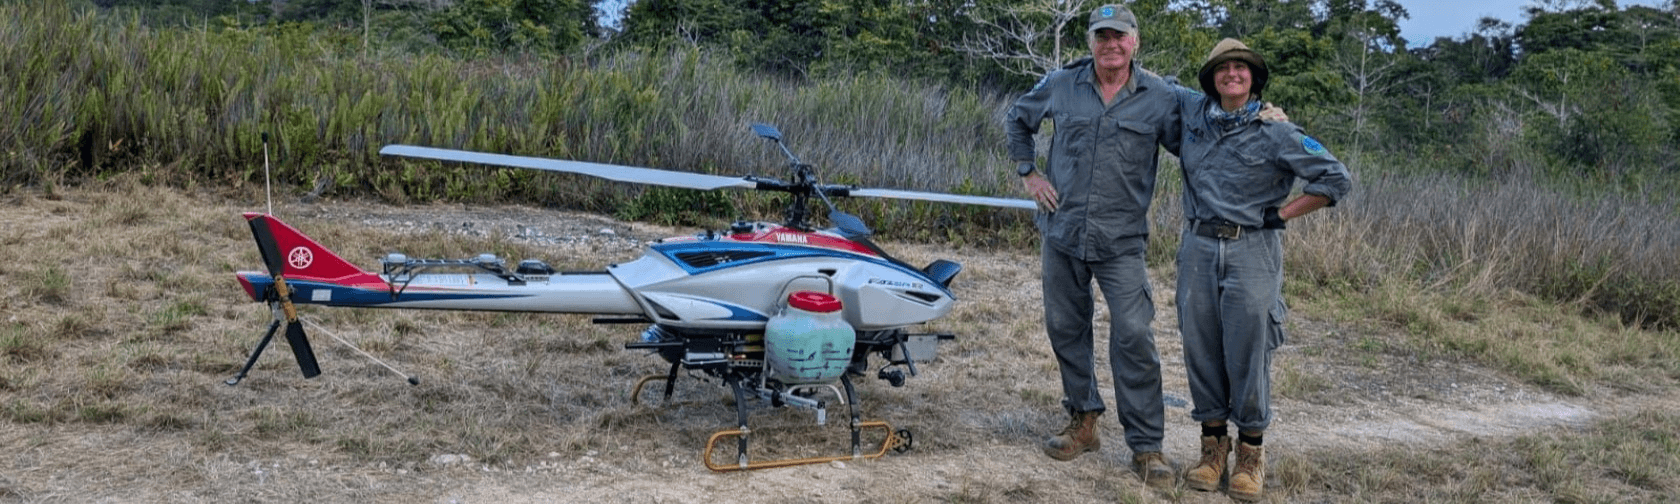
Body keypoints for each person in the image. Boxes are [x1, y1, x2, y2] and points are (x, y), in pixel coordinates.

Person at [1002, 4, 1183, 488]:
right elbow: (1017, 120)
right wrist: (1030, 174)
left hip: (1121, 240)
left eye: (1120, 36)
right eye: (1103, 36)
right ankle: (1084, 421)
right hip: (1062, 233)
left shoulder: (1162, 97)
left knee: (1135, 336)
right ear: (1091, 41)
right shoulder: (1063, 85)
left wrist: (1259, 114)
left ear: (1135, 42)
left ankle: (1146, 447)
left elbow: (1204, 133)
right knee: (1065, 327)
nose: (1111, 44)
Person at [1169, 38, 1353, 502]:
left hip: (1251, 247)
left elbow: (1336, 179)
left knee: (1249, 348)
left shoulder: (1277, 131)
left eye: (1241, 68)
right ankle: (1212, 451)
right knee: (1200, 343)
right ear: (1211, 79)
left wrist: (1282, 214)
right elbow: (1148, 85)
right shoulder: (1193, 116)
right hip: (1198, 245)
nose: (1231, 74)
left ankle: (1251, 454)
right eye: (1222, 68)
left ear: (1253, 78)